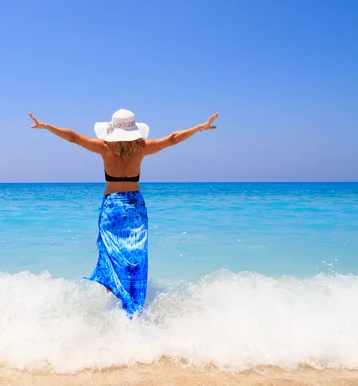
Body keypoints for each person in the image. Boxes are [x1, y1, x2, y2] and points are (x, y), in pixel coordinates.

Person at [28, 109, 218, 315]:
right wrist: (199, 127)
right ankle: (134, 308)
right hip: (135, 207)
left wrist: (47, 126)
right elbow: (172, 139)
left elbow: (73, 137)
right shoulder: (142, 148)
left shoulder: (104, 148)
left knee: (111, 254)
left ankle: (116, 303)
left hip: (112, 208)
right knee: (136, 255)